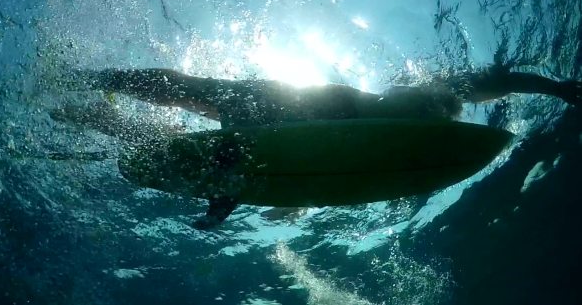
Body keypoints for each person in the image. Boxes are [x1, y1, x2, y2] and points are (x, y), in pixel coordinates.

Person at [52, 65, 581, 229]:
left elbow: (494, 79)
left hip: (273, 136)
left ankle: (76, 109)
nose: (401, 85)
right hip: (274, 105)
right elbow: (300, 156)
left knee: (171, 136)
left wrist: (556, 88)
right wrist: (556, 88)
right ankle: (87, 77)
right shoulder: (391, 100)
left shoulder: (431, 98)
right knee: (188, 91)